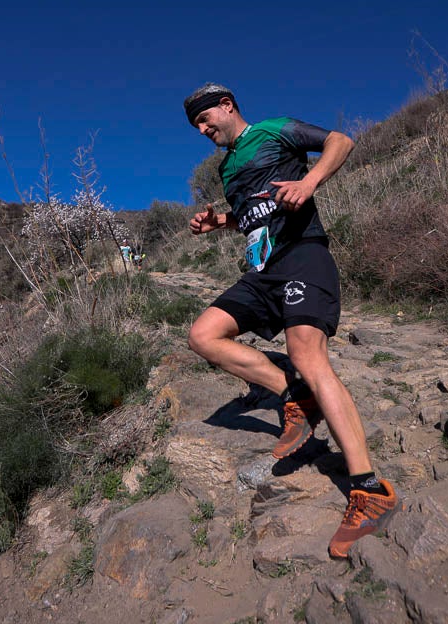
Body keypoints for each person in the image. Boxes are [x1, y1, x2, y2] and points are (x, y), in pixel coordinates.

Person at [182, 82, 401, 559]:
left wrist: (310, 181)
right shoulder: (228, 166)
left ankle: (369, 489)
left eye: (204, 119)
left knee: (307, 352)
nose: (202, 130)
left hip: (303, 255)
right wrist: (219, 223)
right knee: (203, 334)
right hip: (263, 270)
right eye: (196, 127)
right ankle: (295, 394)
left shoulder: (273, 131)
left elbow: (340, 140)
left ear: (226, 106)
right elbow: (253, 216)